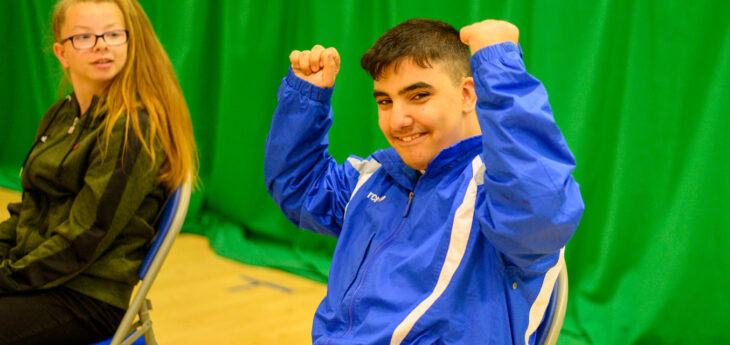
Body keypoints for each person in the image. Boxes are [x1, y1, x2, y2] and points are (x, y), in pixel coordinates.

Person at [265, 18, 584, 344]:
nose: (398, 120)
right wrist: (306, 99)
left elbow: (542, 211)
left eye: (418, 95)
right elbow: (299, 185)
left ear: (468, 94)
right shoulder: (377, 178)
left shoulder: (500, 194)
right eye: (385, 101)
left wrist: (500, 70)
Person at [0, 0, 197, 343]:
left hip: (87, 296)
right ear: (62, 53)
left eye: (112, 34)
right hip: (42, 277)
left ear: (129, 42)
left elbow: (85, 235)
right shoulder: (59, 115)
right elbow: (29, 212)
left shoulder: (133, 127)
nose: (101, 44)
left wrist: (8, 277)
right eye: (84, 37)